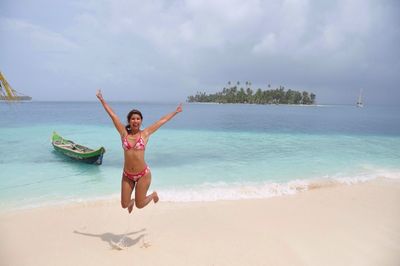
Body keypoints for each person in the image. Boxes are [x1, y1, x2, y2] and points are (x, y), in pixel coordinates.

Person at [96, 89, 183, 213]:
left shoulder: (145, 134)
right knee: (124, 204)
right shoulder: (123, 133)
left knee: (140, 205)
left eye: (138, 119)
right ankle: (130, 202)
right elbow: (113, 116)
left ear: (141, 121)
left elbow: (161, 121)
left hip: (143, 175)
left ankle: (153, 195)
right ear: (129, 121)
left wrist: (175, 112)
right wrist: (102, 100)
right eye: (133, 119)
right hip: (127, 175)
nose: (135, 121)